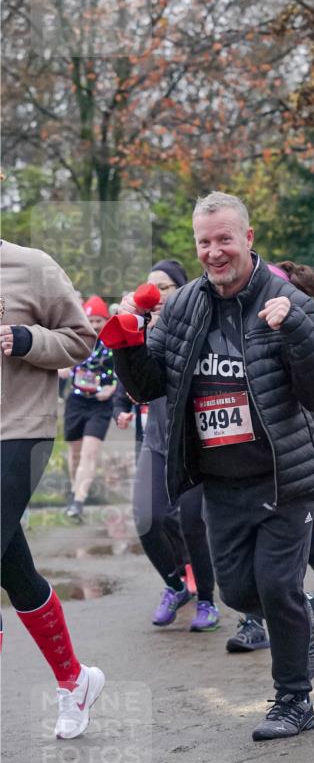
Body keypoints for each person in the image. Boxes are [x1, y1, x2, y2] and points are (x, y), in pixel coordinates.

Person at [110, 192, 314, 741]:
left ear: (248, 239)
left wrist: (296, 331)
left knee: (275, 583)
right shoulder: (186, 304)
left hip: (285, 473)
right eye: (204, 242)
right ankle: (302, 610)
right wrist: (126, 341)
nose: (214, 252)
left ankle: (293, 701)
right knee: (238, 592)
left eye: (224, 240)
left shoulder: (286, 300)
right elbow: (149, 387)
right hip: (221, 479)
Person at [0, 239, 105, 738]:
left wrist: (27, 340)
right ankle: (75, 679)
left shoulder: (32, 266)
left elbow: (82, 338)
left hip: (20, 430)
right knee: (12, 567)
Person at [225, 260, 314, 654]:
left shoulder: (306, 328)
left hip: (298, 451)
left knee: (288, 550)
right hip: (247, 459)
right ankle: (258, 616)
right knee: (250, 552)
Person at [117, 260, 222, 632]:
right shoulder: (141, 328)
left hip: (196, 445)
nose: (156, 295)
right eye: (151, 287)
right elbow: (129, 375)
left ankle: (207, 599)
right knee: (148, 520)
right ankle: (176, 586)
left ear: (182, 290)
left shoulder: (199, 324)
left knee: (193, 524)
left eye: (164, 287)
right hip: (156, 441)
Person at [62, 295, 116, 522]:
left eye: (99, 321)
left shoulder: (113, 342)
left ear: (105, 321)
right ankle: (75, 492)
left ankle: (78, 502)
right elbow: (61, 362)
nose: (94, 325)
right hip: (76, 402)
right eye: (91, 320)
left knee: (89, 453)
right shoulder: (77, 339)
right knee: (75, 454)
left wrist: (113, 389)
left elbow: (124, 372)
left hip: (100, 404)